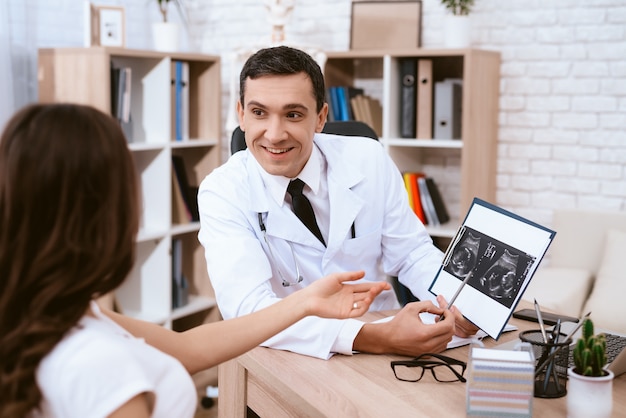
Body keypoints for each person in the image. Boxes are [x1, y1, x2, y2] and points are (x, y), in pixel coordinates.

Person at [0, 103, 390, 418]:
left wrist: (304, 302)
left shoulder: (44, 314)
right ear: (104, 212)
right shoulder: (103, 369)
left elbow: (185, 348)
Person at [197, 45, 479, 361]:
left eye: (292, 114)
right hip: (291, 350)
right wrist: (378, 338)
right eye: (259, 112)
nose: (274, 135)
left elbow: (412, 253)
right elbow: (247, 309)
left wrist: (456, 300)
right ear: (241, 115)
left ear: (320, 118)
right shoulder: (222, 191)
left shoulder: (368, 158)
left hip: (384, 340)